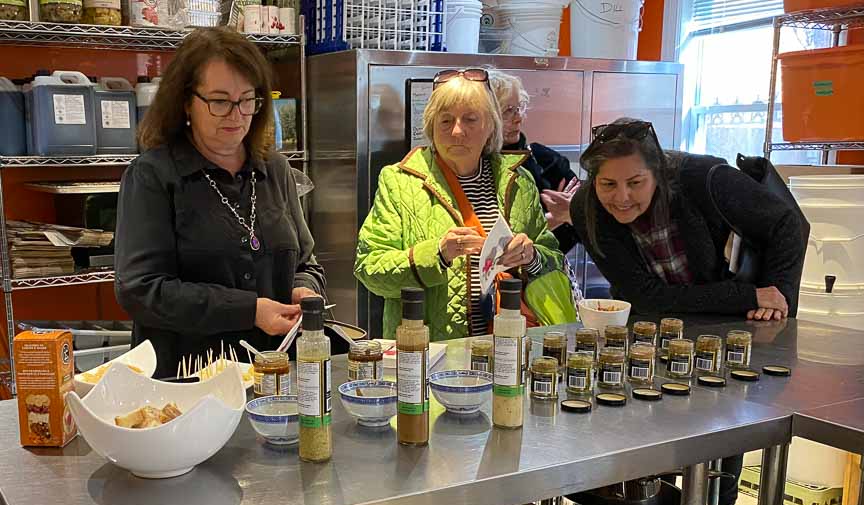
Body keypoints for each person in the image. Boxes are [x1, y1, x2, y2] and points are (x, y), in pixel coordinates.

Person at [570, 118, 806, 505]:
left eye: (636, 182)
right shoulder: (587, 209)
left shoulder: (705, 179)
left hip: (725, 321)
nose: (622, 197)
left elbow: (788, 223)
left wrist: (776, 293)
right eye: (608, 184)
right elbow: (644, 295)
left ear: (657, 173)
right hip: (657, 323)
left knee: (727, 416)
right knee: (654, 420)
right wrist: (746, 295)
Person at [115, 27, 326, 379]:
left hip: (272, 373)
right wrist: (249, 310)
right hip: (186, 380)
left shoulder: (274, 170)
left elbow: (306, 261)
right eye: (219, 100)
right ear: (186, 101)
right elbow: (140, 290)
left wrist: (303, 289)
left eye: (247, 99)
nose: (237, 114)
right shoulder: (153, 176)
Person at [354, 68, 568, 341]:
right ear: (431, 126)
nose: (457, 131)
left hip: (509, 347)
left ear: (490, 126)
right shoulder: (400, 182)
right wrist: (438, 254)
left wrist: (532, 256)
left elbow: (554, 260)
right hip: (431, 354)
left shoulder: (519, 181)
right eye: (445, 121)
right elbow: (369, 269)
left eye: (470, 119)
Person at [488, 70, 581, 255]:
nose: (519, 118)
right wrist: (555, 218)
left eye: (519, 108)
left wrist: (571, 215)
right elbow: (497, 243)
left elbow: (578, 224)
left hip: (547, 273)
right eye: (508, 111)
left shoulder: (546, 160)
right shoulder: (472, 166)